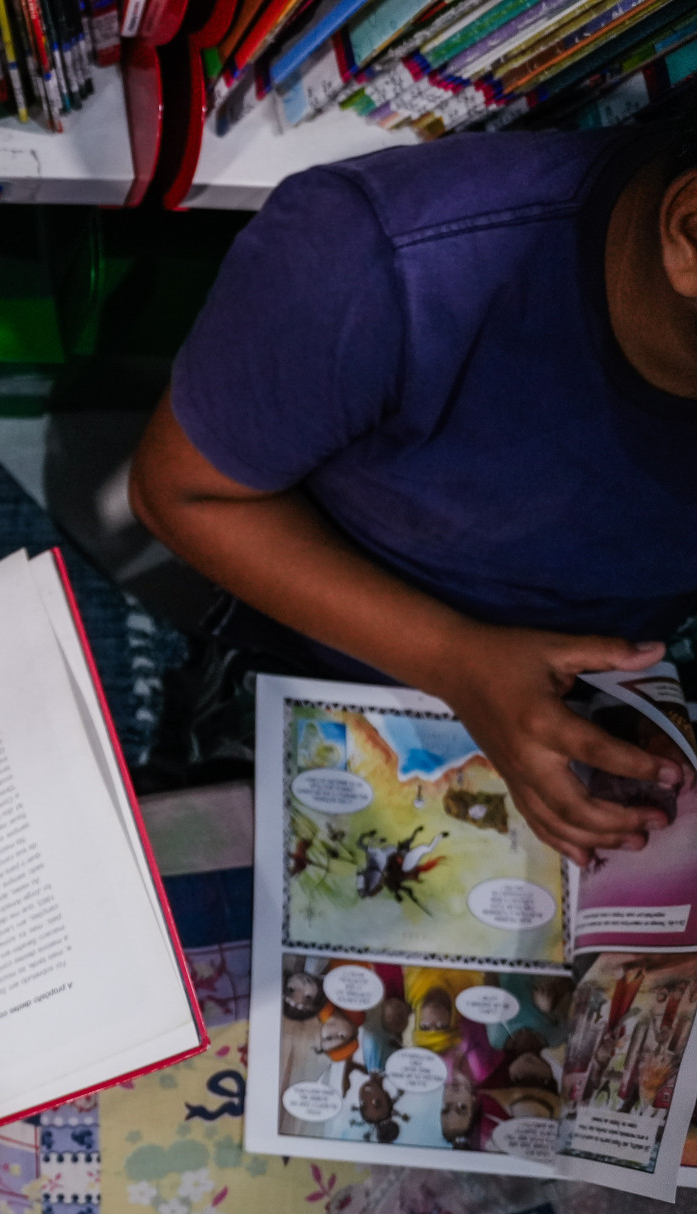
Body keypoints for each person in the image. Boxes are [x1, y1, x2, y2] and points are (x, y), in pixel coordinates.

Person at [128, 96, 697, 866]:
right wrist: (458, 661)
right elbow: (180, 493)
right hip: (345, 659)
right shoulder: (377, 258)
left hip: (628, 696)